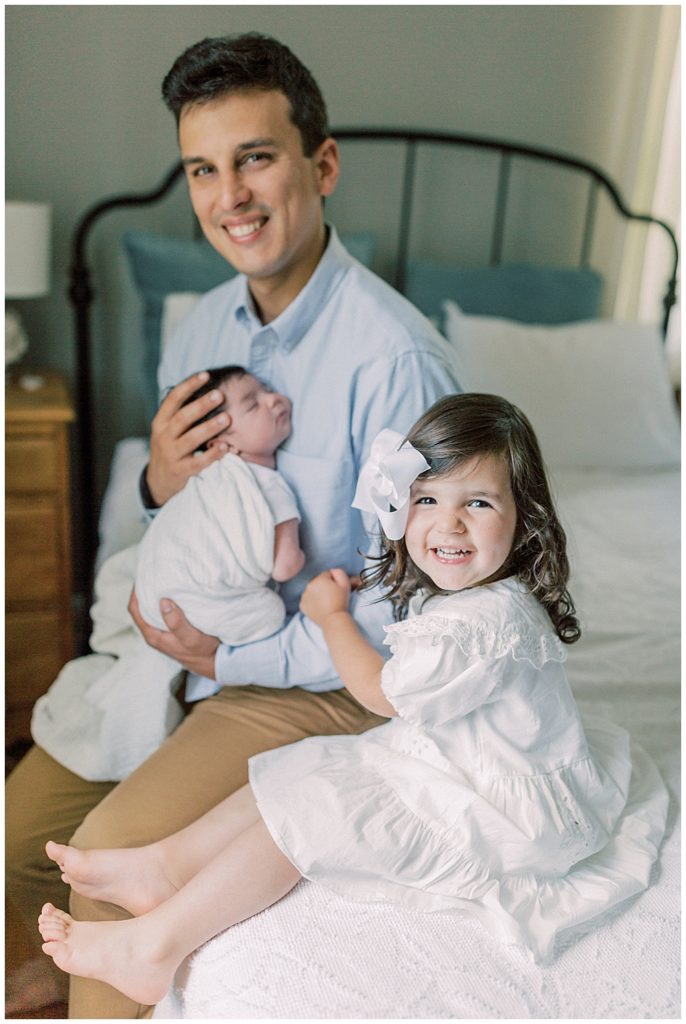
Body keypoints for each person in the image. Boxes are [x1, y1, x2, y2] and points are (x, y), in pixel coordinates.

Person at [5, 31, 458, 1018]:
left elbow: (408, 616)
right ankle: (48, 982)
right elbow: (185, 514)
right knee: (11, 839)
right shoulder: (202, 324)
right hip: (194, 653)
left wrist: (229, 658)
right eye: (203, 169)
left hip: (317, 678)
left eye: (254, 157)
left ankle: (98, 984)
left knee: (107, 862)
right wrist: (157, 488)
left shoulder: (395, 363)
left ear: (320, 165)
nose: (229, 197)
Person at [37, 394, 668, 1004]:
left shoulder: (483, 620)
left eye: (477, 502)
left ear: (524, 517)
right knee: (306, 763)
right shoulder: (473, 596)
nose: (448, 524)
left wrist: (330, 614)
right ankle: (167, 863)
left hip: (508, 812)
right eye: (426, 499)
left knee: (318, 809)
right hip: (466, 760)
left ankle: (157, 947)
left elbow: (380, 692)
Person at [29, 366, 305, 784]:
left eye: (268, 390)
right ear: (221, 441)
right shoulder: (269, 485)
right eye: (254, 402)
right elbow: (285, 566)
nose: (276, 399)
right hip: (195, 608)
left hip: (161, 603)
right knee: (269, 612)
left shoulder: (208, 481)